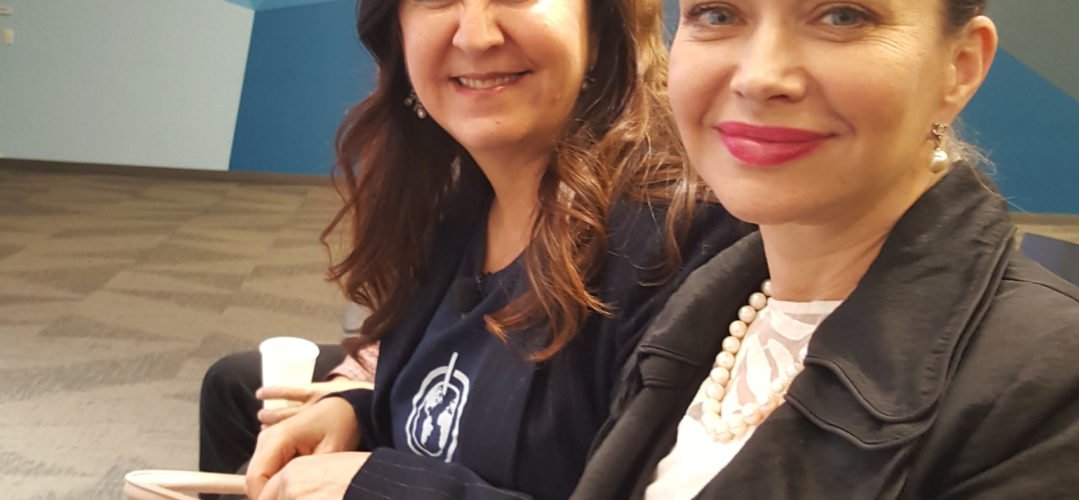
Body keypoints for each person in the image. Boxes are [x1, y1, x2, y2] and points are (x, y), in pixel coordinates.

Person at [573, 0, 1079, 498]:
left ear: (959, 67)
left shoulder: (1060, 391)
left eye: (843, 16)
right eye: (717, 14)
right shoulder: (699, 312)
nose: (760, 78)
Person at [241, 0, 752, 498]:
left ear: (598, 26)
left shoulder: (679, 243)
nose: (475, 35)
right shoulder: (454, 213)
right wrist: (358, 412)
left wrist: (381, 487)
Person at [198, 303, 377, 483]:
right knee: (231, 380)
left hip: (395, 455)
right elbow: (387, 337)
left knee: (268, 475)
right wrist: (344, 385)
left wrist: (357, 401)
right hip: (384, 376)